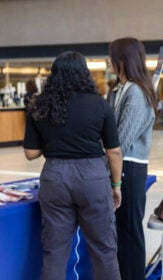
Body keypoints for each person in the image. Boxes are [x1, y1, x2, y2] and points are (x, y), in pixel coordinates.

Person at [23, 51, 122, 280]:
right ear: (84, 74)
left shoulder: (40, 106)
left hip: (55, 176)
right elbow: (114, 152)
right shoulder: (100, 104)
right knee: (104, 249)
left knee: (55, 251)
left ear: (54, 74)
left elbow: (30, 153)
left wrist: (53, 141)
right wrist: (116, 185)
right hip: (93, 177)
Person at [107, 37, 157, 280]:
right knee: (120, 233)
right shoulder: (118, 89)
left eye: (112, 56)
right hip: (118, 165)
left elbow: (121, 140)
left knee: (130, 232)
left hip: (130, 168)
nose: (108, 61)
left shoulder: (136, 92)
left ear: (123, 60)